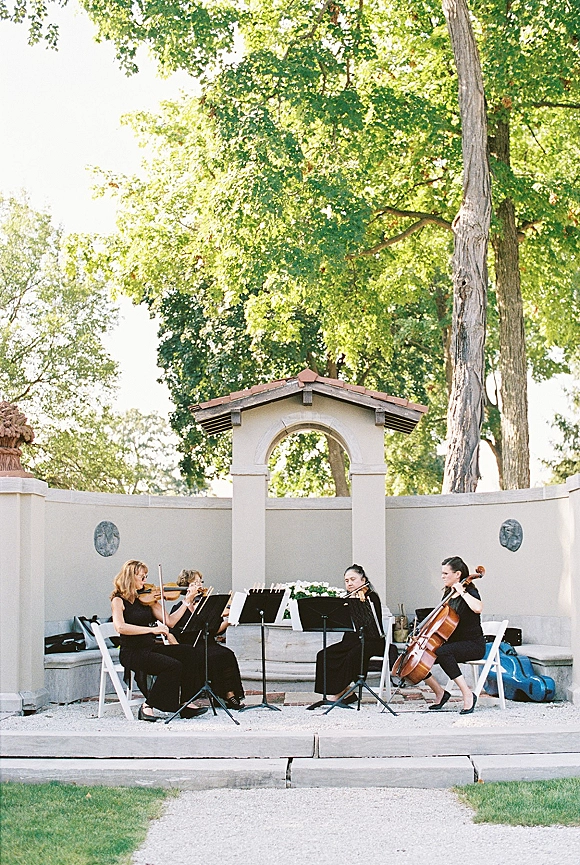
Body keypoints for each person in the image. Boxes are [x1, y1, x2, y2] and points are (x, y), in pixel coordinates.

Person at [110, 559, 208, 721]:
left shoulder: (148, 599)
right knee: (172, 666)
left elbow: (169, 622)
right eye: (142, 576)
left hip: (149, 647)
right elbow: (120, 627)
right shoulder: (118, 600)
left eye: (146, 576)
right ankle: (148, 706)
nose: (145, 580)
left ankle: (185, 702)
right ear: (130, 577)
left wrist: (187, 601)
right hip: (132, 652)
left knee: (190, 653)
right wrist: (152, 629)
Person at [168, 569, 245, 710]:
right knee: (212, 656)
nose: (199, 585)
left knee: (227, 654)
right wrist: (176, 648)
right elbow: (171, 632)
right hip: (191, 645)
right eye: (195, 582)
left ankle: (230, 695)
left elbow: (214, 629)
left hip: (208, 642)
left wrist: (229, 620)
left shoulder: (205, 605)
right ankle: (214, 693)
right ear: (186, 585)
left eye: (200, 582)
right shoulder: (179, 607)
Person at [314, 564, 385, 704]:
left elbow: (372, 624)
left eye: (353, 579)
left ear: (363, 580)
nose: (350, 583)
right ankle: (345, 692)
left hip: (372, 640)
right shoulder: (346, 597)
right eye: (347, 581)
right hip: (352, 640)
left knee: (353, 655)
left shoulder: (371, 597)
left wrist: (355, 603)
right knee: (324, 654)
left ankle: (339, 694)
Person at [423, 556, 485, 714]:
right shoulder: (448, 594)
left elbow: (478, 608)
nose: (442, 576)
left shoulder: (469, 591)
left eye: (446, 573)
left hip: (473, 645)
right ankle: (440, 693)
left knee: (443, 652)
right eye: (442, 573)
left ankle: (468, 694)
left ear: (457, 574)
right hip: (454, 643)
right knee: (422, 656)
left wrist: (462, 592)